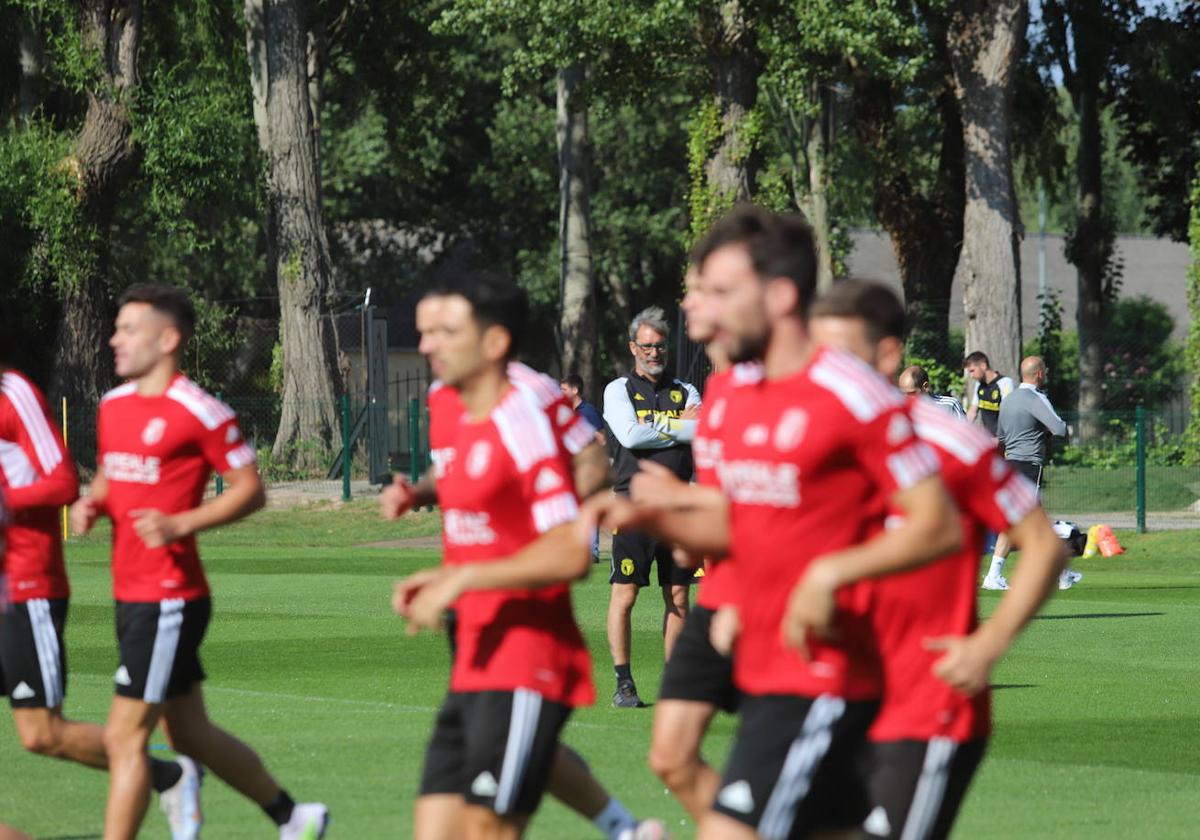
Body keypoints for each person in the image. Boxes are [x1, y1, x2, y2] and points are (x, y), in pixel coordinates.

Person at [582, 206, 962, 840]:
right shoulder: (731, 393)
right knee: (678, 761)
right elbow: (751, 519)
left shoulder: (848, 390)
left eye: (719, 289)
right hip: (750, 631)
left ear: (779, 295)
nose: (696, 303)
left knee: (738, 826)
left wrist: (831, 572)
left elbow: (939, 526)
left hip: (824, 657)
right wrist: (650, 511)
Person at [381, 293, 663, 840]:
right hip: (473, 627)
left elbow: (586, 465)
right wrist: (419, 495)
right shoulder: (441, 399)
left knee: (496, 811)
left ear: (492, 341)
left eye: (442, 331)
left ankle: (621, 826)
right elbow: (462, 472)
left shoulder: (527, 402)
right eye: (424, 331)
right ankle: (624, 828)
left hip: (526, 638)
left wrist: (553, 516)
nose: (424, 345)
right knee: (459, 807)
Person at [809, 280, 1067, 840]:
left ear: (886, 356)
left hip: (924, 710)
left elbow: (1044, 544)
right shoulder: (812, 440)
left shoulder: (951, 444)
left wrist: (988, 644)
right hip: (826, 701)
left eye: (842, 354)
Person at [69, 284, 326, 840]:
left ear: (167, 339)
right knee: (190, 734)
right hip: (132, 591)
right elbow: (115, 475)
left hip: (169, 597)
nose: (115, 339)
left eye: (128, 329)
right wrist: (95, 502)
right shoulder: (114, 406)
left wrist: (180, 523)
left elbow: (250, 489)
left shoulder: (200, 411)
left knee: (124, 737)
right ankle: (293, 817)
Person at [0, 363, 206, 839]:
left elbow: (62, 482)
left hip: (25, 584)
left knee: (40, 733)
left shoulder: (13, 393)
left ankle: (167, 776)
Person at [636, 267, 754, 822]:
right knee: (671, 756)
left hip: (776, 606)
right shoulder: (716, 393)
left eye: (704, 291)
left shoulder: (786, 388)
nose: (689, 303)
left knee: (782, 778)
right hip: (722, 599)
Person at [602, 306, 701, 709]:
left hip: (679, 508)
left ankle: (675, 684)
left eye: (659, 346)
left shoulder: (686, 390)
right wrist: (679, 426)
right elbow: (629, 435)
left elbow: (704, 428)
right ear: (633, 348)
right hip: (633, 506)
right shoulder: (617, 390)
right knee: (625, 595)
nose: (654, 353)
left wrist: (658, 427)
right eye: (646, 346)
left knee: (678, 595)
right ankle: (624, 683)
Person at [985, 356, 1075, 591]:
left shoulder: (1008, 399)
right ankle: (1058, 573)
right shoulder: (1036, 397)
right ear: (1039, 374)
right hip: (1028, 465)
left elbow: (1002, 438)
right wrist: (1052, 432)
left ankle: (1062, 573)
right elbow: (1059, 428)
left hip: (1009, 464)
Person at [963, 352, 1013, 436]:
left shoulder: (1005, 383)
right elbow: (972, 411)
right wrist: (963, 429)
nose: (971, 376)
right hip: (988, 436)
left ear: (983, 366)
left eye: (972, 371)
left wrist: (1000, 438)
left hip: (1004, 437)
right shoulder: (979, 384)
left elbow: (1008, 414)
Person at [898, 365, 966, 419]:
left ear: (926, 387)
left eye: (911, 393)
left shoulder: (949, 406)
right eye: (903, 394)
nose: (906, 398)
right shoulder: (901, 411)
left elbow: (964, 434)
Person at [560, 374, 605, 445]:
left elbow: (602, 440)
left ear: (575, 390)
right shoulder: (566, 411)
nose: (561, 392)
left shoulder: (588, 411)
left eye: (564, 390)